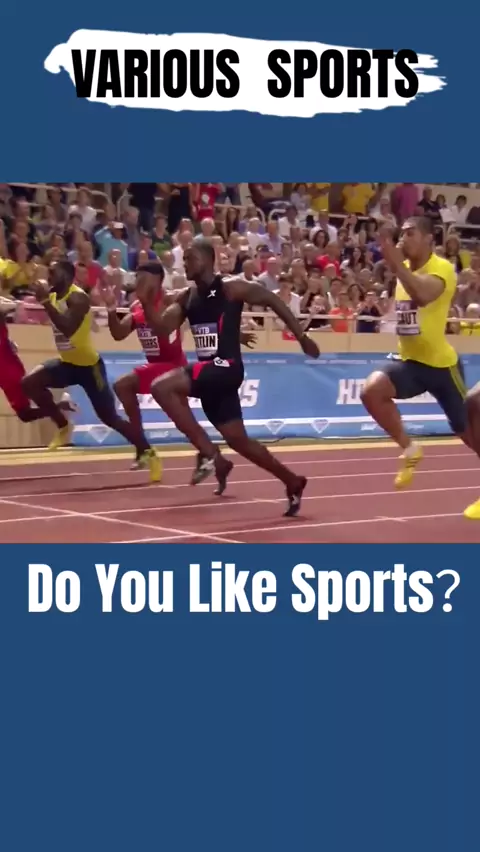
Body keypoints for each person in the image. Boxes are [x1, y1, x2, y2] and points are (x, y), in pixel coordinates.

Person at [136, 240, 320, 517]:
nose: (185, 263)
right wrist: (146, 301)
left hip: (226, 366)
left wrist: (301, 337)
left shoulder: (231, 287)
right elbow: (162, 328)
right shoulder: (187, 297)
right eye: (184, 259)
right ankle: (292, 481)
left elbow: (271, 299)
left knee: (161, 387)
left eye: (190, 258)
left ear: (207, 260)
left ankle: (210, 454)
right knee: (238, 440)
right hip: (211, 376)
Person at [360, 218, 480, 518]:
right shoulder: (401, 272)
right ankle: (410, 448)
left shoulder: (442, 268)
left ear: (428, 239)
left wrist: (397, 265)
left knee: (468, 433)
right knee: (371, 391)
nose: (404, 239)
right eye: (401, 234)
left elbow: (423, 295)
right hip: (409, 363)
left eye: (410, 233)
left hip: (441, 366)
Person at [100, 262, 257, 478]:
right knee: (180, 421)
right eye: (137, 278)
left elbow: (207, 315)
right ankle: (211, 458)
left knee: (124, 385)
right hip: (154, 367)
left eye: (142, 278)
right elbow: (118, 334)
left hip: (173, 366)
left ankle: (145, 447)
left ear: (157, 280)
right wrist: (111, 309)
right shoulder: (137, 306)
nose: (138, 283)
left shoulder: (172, 299)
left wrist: (236, 335)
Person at [22, 260, 162, 481]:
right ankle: (63, 424)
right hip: (68, 364)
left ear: (66, 276)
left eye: (53, 273)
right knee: (29, 383)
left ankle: (148, 452)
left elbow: (68, 329)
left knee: (110, 417)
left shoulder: (79, 298)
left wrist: (44, 301)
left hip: (89, 367)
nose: (49, 277)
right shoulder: (54, 295)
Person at [0, 297, 75, 435]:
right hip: (7, 372)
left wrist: (12, 305)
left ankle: (62, 409)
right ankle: (62, 406)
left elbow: (11, 306)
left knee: (25, 414)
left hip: (9, 373)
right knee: (25, 415)